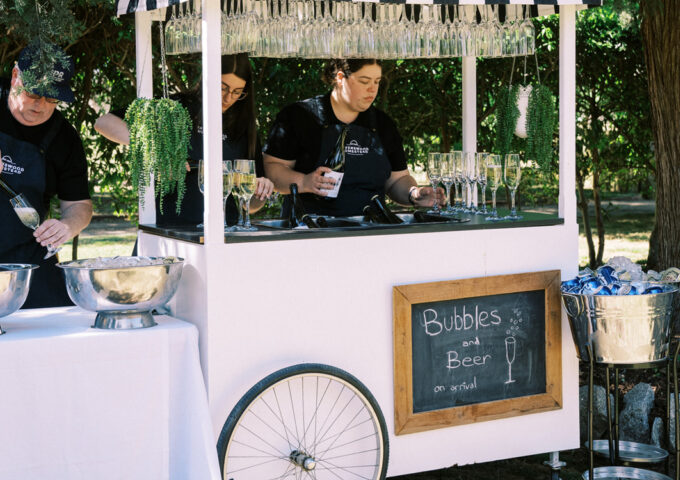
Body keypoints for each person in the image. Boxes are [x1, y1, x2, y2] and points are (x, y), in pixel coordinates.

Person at [95, 53, 273, 227]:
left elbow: (250, 206)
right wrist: (159, 151)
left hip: (226, 233)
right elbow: (104, 122)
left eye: (237, 92)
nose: (228, 98)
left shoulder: (244, 125)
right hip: (172, 229)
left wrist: (259, 193)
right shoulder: (178, 106)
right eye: (223, 88)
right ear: (208, 79)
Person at [263, 58, 443, 218]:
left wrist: (414, 194)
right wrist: (304, 182)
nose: (372, 89)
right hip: (311, 231)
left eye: (377, 82)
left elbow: (397, 180)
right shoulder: (299, 116)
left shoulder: (383, 123)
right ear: (340, 78)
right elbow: (271, 169)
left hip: (370, 230)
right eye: (364, 81)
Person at [0, 43, 93, 308]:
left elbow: (79, 205)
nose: (40, 106)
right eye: (34, 94)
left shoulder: (65, 139)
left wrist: (67, 226)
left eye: (52, 98)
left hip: (28, 260)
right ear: (16, 76)